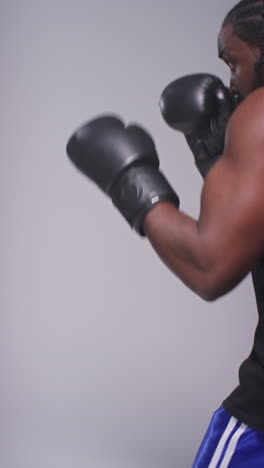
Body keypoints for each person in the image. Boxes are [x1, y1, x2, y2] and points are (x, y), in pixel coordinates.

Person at [66, 0, 264, 465]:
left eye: (233, 61)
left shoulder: (259, 114)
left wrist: (132, 182)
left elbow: (210, 265)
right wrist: (221, 168)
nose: (232, 82)